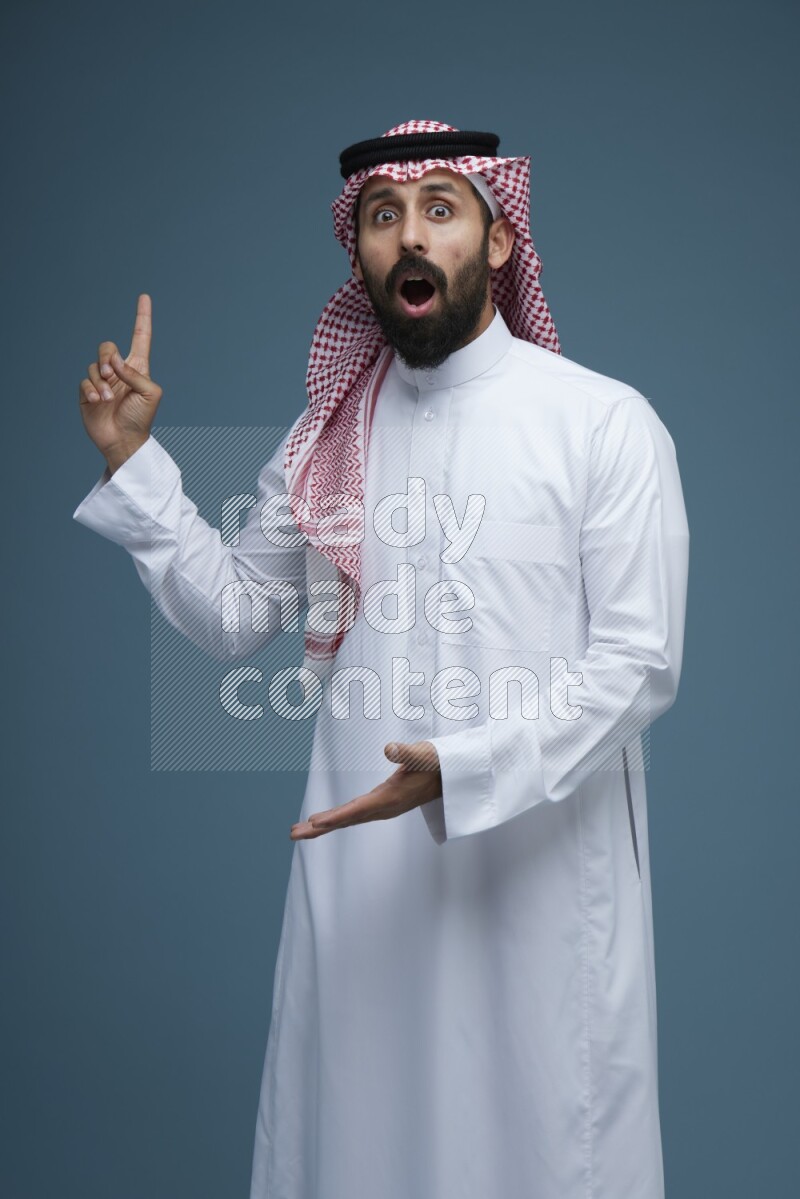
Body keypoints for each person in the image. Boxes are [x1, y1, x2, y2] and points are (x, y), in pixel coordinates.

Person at [74, 119, 690, 1199]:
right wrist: (138, 466)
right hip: (362, 887)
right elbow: (232, 614)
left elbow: (638, 662)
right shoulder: (324, 438)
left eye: (441, 210)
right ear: (357, 251)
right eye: (382, 215)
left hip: (539, 885)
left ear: (497, 242)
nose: (411, 236)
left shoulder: (600, 424)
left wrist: (462, 765)